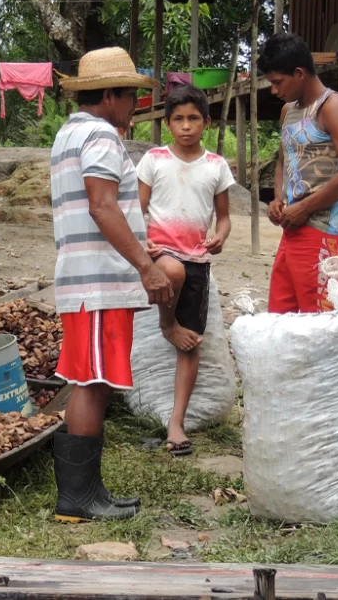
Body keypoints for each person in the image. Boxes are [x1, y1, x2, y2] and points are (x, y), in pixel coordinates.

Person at [49, 47, 169, 522]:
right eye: (131, 95)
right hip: (97, 281)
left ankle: (89, 491)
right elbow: (103, 207)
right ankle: (77, 498)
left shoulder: (69, 133)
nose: (135, 105)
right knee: (94, 384)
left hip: (85, 279)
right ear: (111, 95)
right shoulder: (100, 135)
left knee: (93, 381)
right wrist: (146, 265)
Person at [137, 86, 233, 457]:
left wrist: (219, 238)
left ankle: (175, 423)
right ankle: (166, 324)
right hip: (161, 255)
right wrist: (142, 242)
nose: (186, 126)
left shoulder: (215, 166)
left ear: (206, 122)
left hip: (198, 259)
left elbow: (223, 218)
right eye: (178, 119)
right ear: (167, 124)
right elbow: (137, 208)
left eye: (193, 118)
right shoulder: (154, 159)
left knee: (191, 343)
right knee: (172, 271)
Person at [260, 33, 338, 314]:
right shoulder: (288, 112)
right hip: (292, 232)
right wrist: (277, 199)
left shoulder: (332, 107)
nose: (273, 90)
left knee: (319, 326)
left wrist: (305, 207)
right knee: (280, 319)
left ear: (299, 73)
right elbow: (284, 160)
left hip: (323, 233)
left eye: (277, 82)